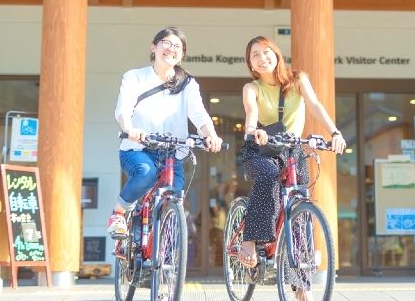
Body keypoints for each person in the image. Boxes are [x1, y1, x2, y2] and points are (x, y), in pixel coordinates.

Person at [239, 36, 346, 299]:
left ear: (276, 54)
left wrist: (334, 132)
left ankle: (301, 285)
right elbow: (250, 114)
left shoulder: (298, 79)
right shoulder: (251, 88)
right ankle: (250, 240)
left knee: (300, 207)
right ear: (251, 64)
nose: (262, 58)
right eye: (255, 55)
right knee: (268, 177)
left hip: (292, 149)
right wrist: (254, 132)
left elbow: (315, 105)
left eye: (266, 52)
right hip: (261, 148)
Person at [108, 27, 223, 238]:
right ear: (154, 47)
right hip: (138, 149)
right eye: (167, 43)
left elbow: (199, 114)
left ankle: (163, 254)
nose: (171, 49)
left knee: (174, 198)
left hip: (172, 154)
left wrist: (211, 134)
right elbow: (124, 109)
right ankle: (119, 212)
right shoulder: (134, 77)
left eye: (177, 46)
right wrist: (129, 129)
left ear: (182, 55)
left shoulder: (187, 83)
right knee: (146, 173)